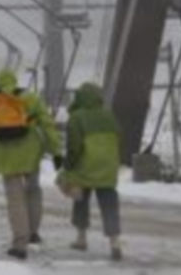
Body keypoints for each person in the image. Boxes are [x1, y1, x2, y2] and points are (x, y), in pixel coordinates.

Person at [0, 68, 62, 260]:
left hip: (5, 156)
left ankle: (20, 243)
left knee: (15, 199)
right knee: (33, 190)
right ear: (14, 81)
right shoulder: (30, 98)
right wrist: (56, 151)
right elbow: (47, 124)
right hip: (30, 153)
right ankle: (33, 232)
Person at [57, 82, 124, 261]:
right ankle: (115, 242)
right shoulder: (109, 115)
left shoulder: (77, 117)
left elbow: (74, 147)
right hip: (108, 166)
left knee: (80, 200)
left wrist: (68, 166)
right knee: (109, 203)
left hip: (85, 165)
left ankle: (81, 239)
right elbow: (119, 137)